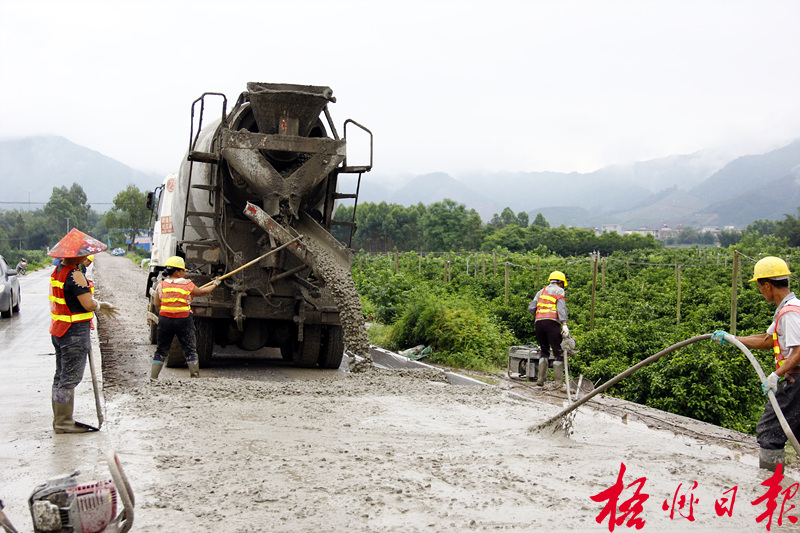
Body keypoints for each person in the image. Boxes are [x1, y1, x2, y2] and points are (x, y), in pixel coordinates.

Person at [712, 256, 800, 472]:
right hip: (794, 378)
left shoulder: (790, 313)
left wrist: (776, 375)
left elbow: (798, 352)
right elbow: (767, 340)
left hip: (795, 381)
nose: (761, 291)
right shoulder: (788, 307)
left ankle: (772, 485)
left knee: (769, 432)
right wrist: (732, 339)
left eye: (760, 286)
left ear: (768, 285)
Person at [48, 229, 117, 434]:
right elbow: (87, 304)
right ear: (75, 255)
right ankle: (64, 422)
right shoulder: (75, 274)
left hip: (59, 330)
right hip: (74, 332)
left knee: (60, 376)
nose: (87, 256)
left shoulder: (58, 271)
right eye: (84, 253)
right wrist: (98, 305)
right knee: (69, 378)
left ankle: (59, 420)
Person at [151, 256, 220, 380]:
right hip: (183, 319)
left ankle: (153, 378)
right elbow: (201, 292)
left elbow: (156, 303)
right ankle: (194, 376)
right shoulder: (187, 283)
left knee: (161, 350)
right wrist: (215, 284)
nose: (185, 272)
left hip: (165, 320)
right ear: (177, 271)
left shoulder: (161, 285)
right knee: (190, 349)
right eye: (183, 270)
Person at [528, 271, 570, 386]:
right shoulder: (559, 291)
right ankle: (558, 383)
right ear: (560, 282)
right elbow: (561, 308)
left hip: (539, 323)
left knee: (544, 350)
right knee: (557, 352)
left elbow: (531, 307)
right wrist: (564, 324)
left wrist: (541, 316)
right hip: (552, 323)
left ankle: (540, 380)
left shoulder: (540, 291)